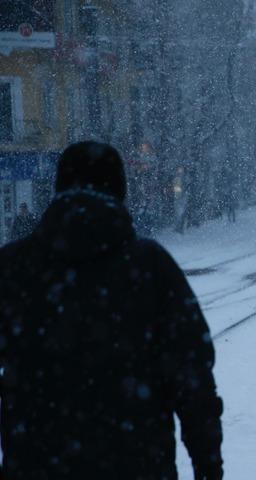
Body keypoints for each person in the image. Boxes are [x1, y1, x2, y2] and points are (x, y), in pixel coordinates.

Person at [0, 141, 223, 479]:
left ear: (58, 189)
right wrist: (208, 466)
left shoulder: (13, 267)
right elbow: (193, 380)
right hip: (139, 463)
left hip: (36, 464)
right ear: (119, 191)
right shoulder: (150, 266)